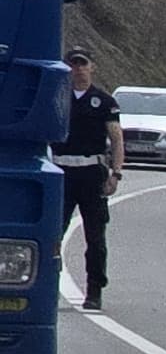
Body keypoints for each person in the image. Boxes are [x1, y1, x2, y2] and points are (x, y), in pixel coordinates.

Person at [54, 45, 118, 310]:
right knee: (53, 233)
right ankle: (49, 287)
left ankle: (94, 291)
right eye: (74, 63)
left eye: (83, 63)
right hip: (62, 172)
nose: (78, 68)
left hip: (91, 173)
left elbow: (116, 138)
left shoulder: (103, 101)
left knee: (95, 236)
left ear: (92, 67)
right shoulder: (58, 97)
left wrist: (117, 173)